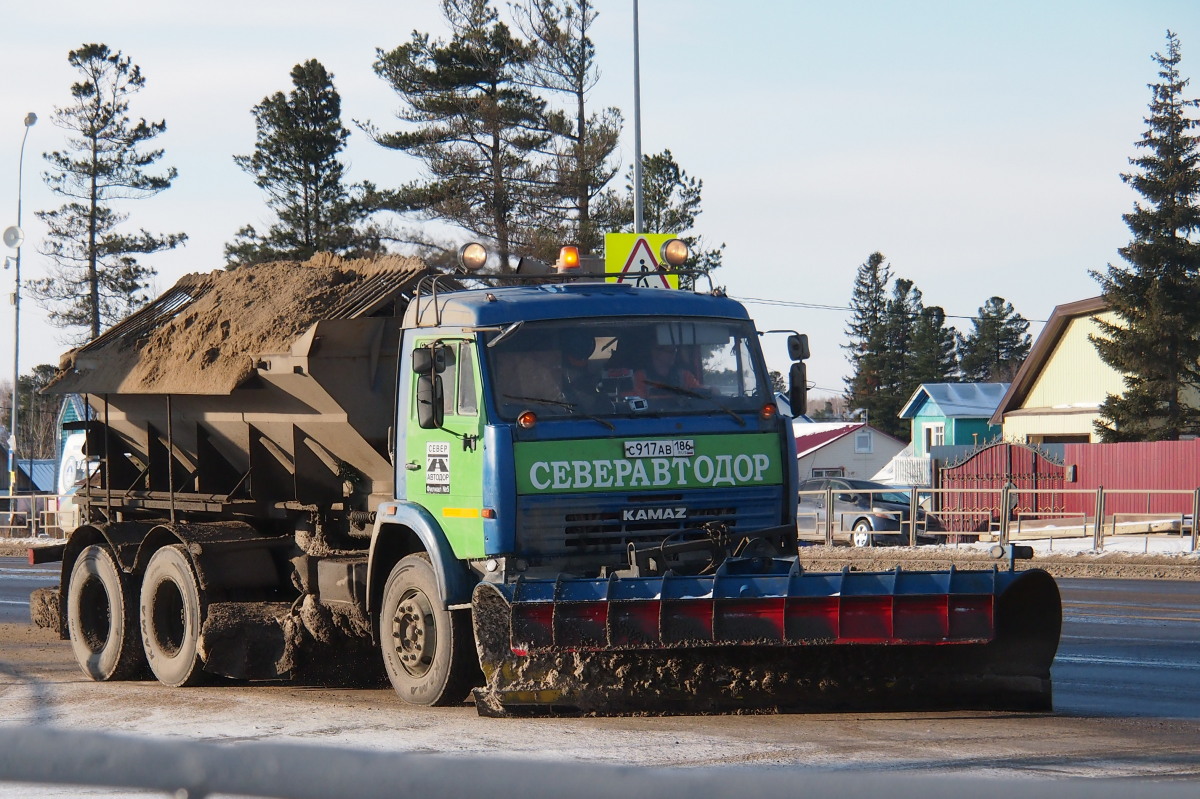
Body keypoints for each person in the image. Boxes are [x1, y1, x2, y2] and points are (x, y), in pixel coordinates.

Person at [632, 343, 701, 397]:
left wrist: (710, 390)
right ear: (655, 352)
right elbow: (637, 399)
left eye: (675, 351)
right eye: (670, 351)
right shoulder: (640, 376)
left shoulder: (685, 375)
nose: (674, 354)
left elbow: (699, 391)